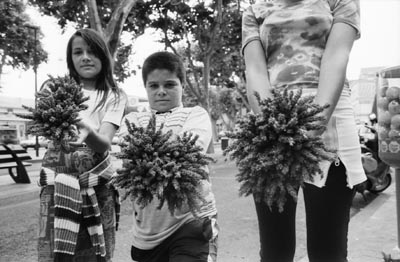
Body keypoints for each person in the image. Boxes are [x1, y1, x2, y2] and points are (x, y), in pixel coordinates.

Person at [241, 0, 367, 261]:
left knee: (327, 252)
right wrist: (274, 130)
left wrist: (315, 122)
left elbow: (336, 57)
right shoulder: (254, 9)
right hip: (271, 128)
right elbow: (254, 69)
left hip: (332, 126)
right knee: (275, 252)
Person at [118, 51, 218, 262]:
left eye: (170, 85)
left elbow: (191, 150)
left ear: (182, 85)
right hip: (148, 234)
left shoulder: (196, 114)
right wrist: (168, 148)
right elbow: (129, 155)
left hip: (192, 222)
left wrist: (147, 151)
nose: (161, 91)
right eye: (154, 86)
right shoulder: (133, 118)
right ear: (145, 88)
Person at [38, 28, 127, 262]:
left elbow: (104, 143)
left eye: (92, 51)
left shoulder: (115, 96)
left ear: (104, 56)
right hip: (58, 187)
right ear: (71, 59)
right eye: (78, 52)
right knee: (55, 251)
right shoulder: (55, 90)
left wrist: (85, 129)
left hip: (97, 187)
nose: (85, 57)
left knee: (96, 253)